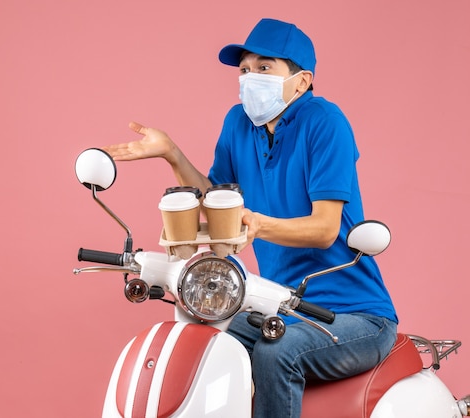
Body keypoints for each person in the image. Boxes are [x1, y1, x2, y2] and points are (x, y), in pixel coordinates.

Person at [103, 18, 398, 418]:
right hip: (282, 307)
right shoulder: (238, 123)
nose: (249, 78)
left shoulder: (325, 123)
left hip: (354, 315)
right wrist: (171, 152)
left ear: (301, 81)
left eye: (264, 68)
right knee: (207, 337)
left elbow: (325, 229)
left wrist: (258, 224)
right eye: (244, 69)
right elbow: (218, 202)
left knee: (280, 353)